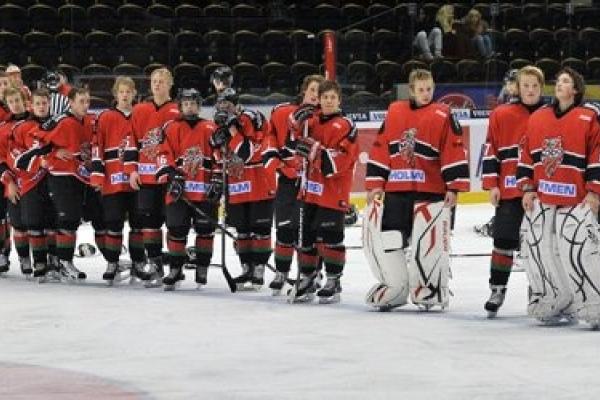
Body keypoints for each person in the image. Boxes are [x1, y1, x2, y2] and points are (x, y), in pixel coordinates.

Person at [364, 69, 469, 310]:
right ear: (411, 90)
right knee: (390, 238)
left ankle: (429, 288)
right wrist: (376, 183)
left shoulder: (443, 114)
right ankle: (396, 287)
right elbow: (381, 148)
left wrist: (453, 187)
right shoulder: (394, 112)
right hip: (396, 190)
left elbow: (454, 149)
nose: (425, 93)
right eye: (421, 89)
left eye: (429, 89)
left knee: (428, 243)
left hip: (430, 191)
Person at [517, 67, 600, 326]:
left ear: (575, 89)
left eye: (565, 81)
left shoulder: (589, 117)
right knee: (540, 249)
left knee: (579, 251)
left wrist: (594, 191)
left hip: (577, 199)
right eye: (559, 80)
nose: (560, 84)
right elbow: (526, 154)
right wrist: (527, 188)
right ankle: (553, 298)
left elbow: (597, 155)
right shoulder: (539, 117)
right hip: (545, 197)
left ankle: (593, 302)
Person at [481, 66, 545, 317]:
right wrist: (492, 184)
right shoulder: (501, 114)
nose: (530, 90)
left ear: (541, 88)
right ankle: (497, 290)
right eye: (526, 85)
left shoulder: (550, 114)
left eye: (535, 86)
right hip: (509, 190)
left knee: (540, 246)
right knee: (503, 241)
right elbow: (491, 150)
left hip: (541, 192)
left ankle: (539, 291)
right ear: (518, 88)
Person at [288, 80, 359, 303]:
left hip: (333, 191)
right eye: (325, 97)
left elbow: (344, 158)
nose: (328, 101)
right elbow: (294, 141)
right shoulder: (311, 121)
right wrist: (295, 122)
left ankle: (333, 280)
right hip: (310, 189)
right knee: (306, 236)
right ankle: (308, 277)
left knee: (331, 237)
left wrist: (315, 152)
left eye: (332, 97)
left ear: (339, 100)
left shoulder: (346, 125)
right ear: (319, 99)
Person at [16, 87, 94, 281]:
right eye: (81, 101)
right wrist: (53, 153)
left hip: (80, 176)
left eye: (87, 101)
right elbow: (37, 137)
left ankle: (61, 262)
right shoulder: (60, 120)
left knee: (72, 221)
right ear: (71, 102)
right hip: (61, 176)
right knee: (67, 219)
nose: (85, 105)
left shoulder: (90, 120)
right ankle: (63, 263)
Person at [264, 74, 324, 295]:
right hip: (289, 180)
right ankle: (281, 271)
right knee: (284, 227)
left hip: (314, 183)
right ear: (304, 90)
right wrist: (281, 166)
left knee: (310, 231)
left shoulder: (327, 118)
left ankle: (312, 273)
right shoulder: (283, 112)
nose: (316, 95)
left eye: (320, 92)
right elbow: (271, 141)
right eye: (312, 90)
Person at [210, 88, 275, 291]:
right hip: (237, 183)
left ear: (236, 104)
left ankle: (259, 270)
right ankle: (247, 268)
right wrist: (219, 148)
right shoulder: (219, 124)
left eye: (227, 104)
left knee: (260, 229)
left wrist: (232, 131)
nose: (224, 108)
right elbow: (220, 157)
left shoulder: (252, 117)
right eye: (220, 104)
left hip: (259, 181)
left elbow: (247, 153)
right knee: (242, 230)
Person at [155, 88, 220, 290]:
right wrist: (171, 175)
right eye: (186, 104)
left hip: (204, 190)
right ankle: (175, 269)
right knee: (176, 229)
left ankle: (202, 267)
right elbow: (162, 154)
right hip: (179, 191)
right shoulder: (171, 128)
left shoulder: (211, 127)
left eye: (193, 103)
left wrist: (217, 179)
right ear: (180, 106)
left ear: (199, 106)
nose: (189, 107)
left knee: (205, 230)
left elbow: (220, 156)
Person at [91, 76, 149, 284]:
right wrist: (97, 175)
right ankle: (112, 263)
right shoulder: (105, 117)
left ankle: (139, 263)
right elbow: (97, 147)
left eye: (128, 91)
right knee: (113, 222)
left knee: (138, 223)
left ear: (134, 94)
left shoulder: (141, 115)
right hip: (113, 180)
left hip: (137, 179)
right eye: (121, 91)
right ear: (115, 94)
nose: (125, 95)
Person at [126, 67, 180, 287]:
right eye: (154, 81)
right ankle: (156, 265)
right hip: (146, 178)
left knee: (175, 223)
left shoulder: (177, 110)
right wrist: (131, 170)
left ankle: (175, 268)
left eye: (161, 81)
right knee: (149, 222)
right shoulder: (139, 110)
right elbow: (131, 141)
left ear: (170, 84)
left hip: (168, 178)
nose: (157, 84)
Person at [9, 89, 57, 281]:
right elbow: (15, 156)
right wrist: (39, 162)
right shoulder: (22, 127)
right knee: (34, 223)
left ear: (49, 104)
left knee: (53, 222)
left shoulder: (57, 124)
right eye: (38, 103)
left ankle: (55, 261)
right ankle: (39, 262)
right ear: (31, 105)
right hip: (31, 181)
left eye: (44, 103)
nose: (41, 107)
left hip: (54, 180)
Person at [0, 87, 31, 275]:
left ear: (24, 100)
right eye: (11, 102)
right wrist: (9, 183)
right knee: (17, 222)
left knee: (41, 222)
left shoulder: (37, 123)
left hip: (36, 181)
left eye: (17, 100)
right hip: (13, 183)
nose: (15, 104)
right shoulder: (3, 128)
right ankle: (22, 258)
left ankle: (50, 261)